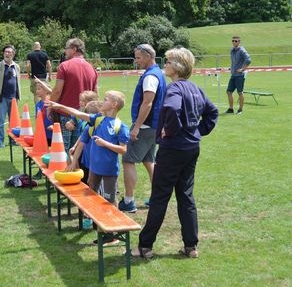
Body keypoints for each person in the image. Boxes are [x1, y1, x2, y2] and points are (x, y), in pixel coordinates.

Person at [133, 47, 218, 260]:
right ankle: (191, 246)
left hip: (173, 150)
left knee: (160, 196)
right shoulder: (195, 88)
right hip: (191, 148)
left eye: (169, 61)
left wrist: (170, 131)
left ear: (178, 66)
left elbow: (171, 109)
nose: (165, 64)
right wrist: (197, 132)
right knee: (186, 196)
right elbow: (212, 112)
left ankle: (145, 246)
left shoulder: (175, 89)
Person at [48, 90, 129, 246]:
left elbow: (123, 149)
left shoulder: (120, 126)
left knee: (110, 200)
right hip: (94, 169)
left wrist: (104, 144)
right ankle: (99, 226)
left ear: (114, 105)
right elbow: (79, 114)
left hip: (109, 171)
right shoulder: (98, 120)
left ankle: (112, 232)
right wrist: (60, 106)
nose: (102, 102)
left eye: (105, 99)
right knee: (92, 197)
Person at [118, 44, 167, 213]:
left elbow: (147, 103)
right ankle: (157, 199)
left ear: (148, 56)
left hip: (146, 126)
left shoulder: (150, 77)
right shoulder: (158, 73)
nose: (136, 61)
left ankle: (129, 201)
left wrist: (136, 127)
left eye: (138, 57)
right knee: (148, 161)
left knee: (128, 160)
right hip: (154, 125)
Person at [50, 38, 98, 152]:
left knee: (62, 149)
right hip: (83, 116)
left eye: (66, 48)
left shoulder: (64, 66)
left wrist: (50, 105)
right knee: (78, 150)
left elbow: (57, 90)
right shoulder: (92, 68)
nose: (65, 51)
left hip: (65, 113)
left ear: (74, 49)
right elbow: (95, 95)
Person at [0, 45, 21, 148]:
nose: (7, 54)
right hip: (2, 98)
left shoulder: (16, 66)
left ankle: (13, 141)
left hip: (14, 99)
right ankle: (0, 141)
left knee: (13, 121)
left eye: (9, 52)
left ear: (13, 54)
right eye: (6, 52)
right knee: (0, 121)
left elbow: (17, 81)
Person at [226, 36, 251, 114]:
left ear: (239, 42)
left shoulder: (242, 50)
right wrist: (231, 68)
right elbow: (234, 62)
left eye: (236, 41)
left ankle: (240, 109)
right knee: (229, 91)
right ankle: (231, 109)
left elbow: (248, 60)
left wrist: (242, 69)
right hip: (233, 75)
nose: (234, 42)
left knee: (240, 92)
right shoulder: (232, 50)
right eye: (233, 41)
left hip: (240, 76)